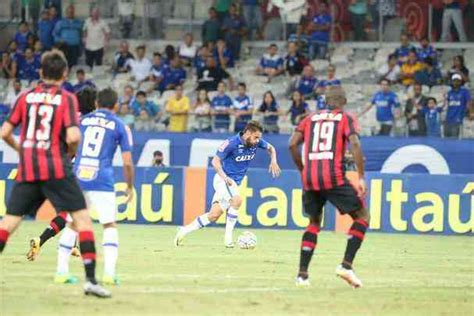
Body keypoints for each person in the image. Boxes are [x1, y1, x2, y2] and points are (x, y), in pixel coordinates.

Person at [0, 50, 110, 298]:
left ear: (40, 72)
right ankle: (91, 280)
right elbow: (72, 137)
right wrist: (69, 152)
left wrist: (23, 151)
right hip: (57, 168)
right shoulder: (67, 99)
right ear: (64, 74)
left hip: (29, 168)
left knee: (9, 223)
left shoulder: (25, 98)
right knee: (82, 219)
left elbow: (5, 132)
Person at [33, 88, 134, 286]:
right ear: (115, 106)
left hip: (78, 178)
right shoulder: (120, 125)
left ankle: (61, 272)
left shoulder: (82, 121)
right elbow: (127, 161)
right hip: (102, 180)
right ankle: (109, 274)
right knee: (109, 225)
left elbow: (67, 144)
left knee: (72, 223)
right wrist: (129, 186)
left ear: (97, 104)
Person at [289, 87, 369, 289]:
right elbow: (355, 144)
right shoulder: (345, 118)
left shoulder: (310, 118)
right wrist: (361, 177)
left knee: (314, 222)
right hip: (332, 176)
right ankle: (346, 265)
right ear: (342, 100)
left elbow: (292, 144)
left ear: (326, 101)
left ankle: (302, 275)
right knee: (362, 216)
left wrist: (302, 170)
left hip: (310, 177)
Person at [175, 120, 281, 247]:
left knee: (214, 215)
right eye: (256, 137)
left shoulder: (255, 143)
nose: (258, 140)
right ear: (247, 133)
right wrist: (224, 177)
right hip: (224, 179)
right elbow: (215, 161)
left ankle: (183, 230)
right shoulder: (231, 143)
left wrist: (273, 161)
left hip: (234, 183)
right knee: (237, 200)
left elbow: (271, 148)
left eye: (259, 138)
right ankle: (228, 240)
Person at [444, 74, 473, 138]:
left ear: (460, 82)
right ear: (452, 81)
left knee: (455, 139)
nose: (456, 82)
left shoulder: (465, 91)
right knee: (446, 139)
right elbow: (446, 104)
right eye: (454, 80)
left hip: (458, 118)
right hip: (448, 119)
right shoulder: (449, 92)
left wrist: (471, 112)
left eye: (458, 81)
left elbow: (469, 102)